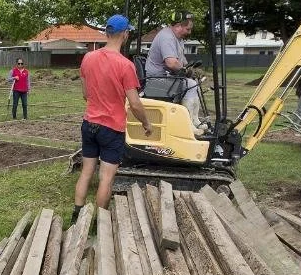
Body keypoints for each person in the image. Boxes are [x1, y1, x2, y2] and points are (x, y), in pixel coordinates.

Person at [73, 15, 152, 222]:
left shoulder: (88, 58)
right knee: (106, 178)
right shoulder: (125, 66)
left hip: (89, 123)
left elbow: (85, 94)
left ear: (107, 33)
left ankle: (76, 216)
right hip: (111, 128)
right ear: (125, 34)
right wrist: (146, 123)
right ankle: (100, 222)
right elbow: (135, 103)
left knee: (86, 172)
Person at [145, 12, 205, 135]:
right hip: (156, 80)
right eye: (187, 29)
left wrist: (192, 70)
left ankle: (195, 120)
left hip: (166, 78)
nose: (189, 32)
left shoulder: (178, 39)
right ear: (178, 25)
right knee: (190, 85)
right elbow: (171, 63)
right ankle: (188, 125)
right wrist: (187, 71)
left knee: (195, 84)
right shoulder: (167, 37)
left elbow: (182, 61)